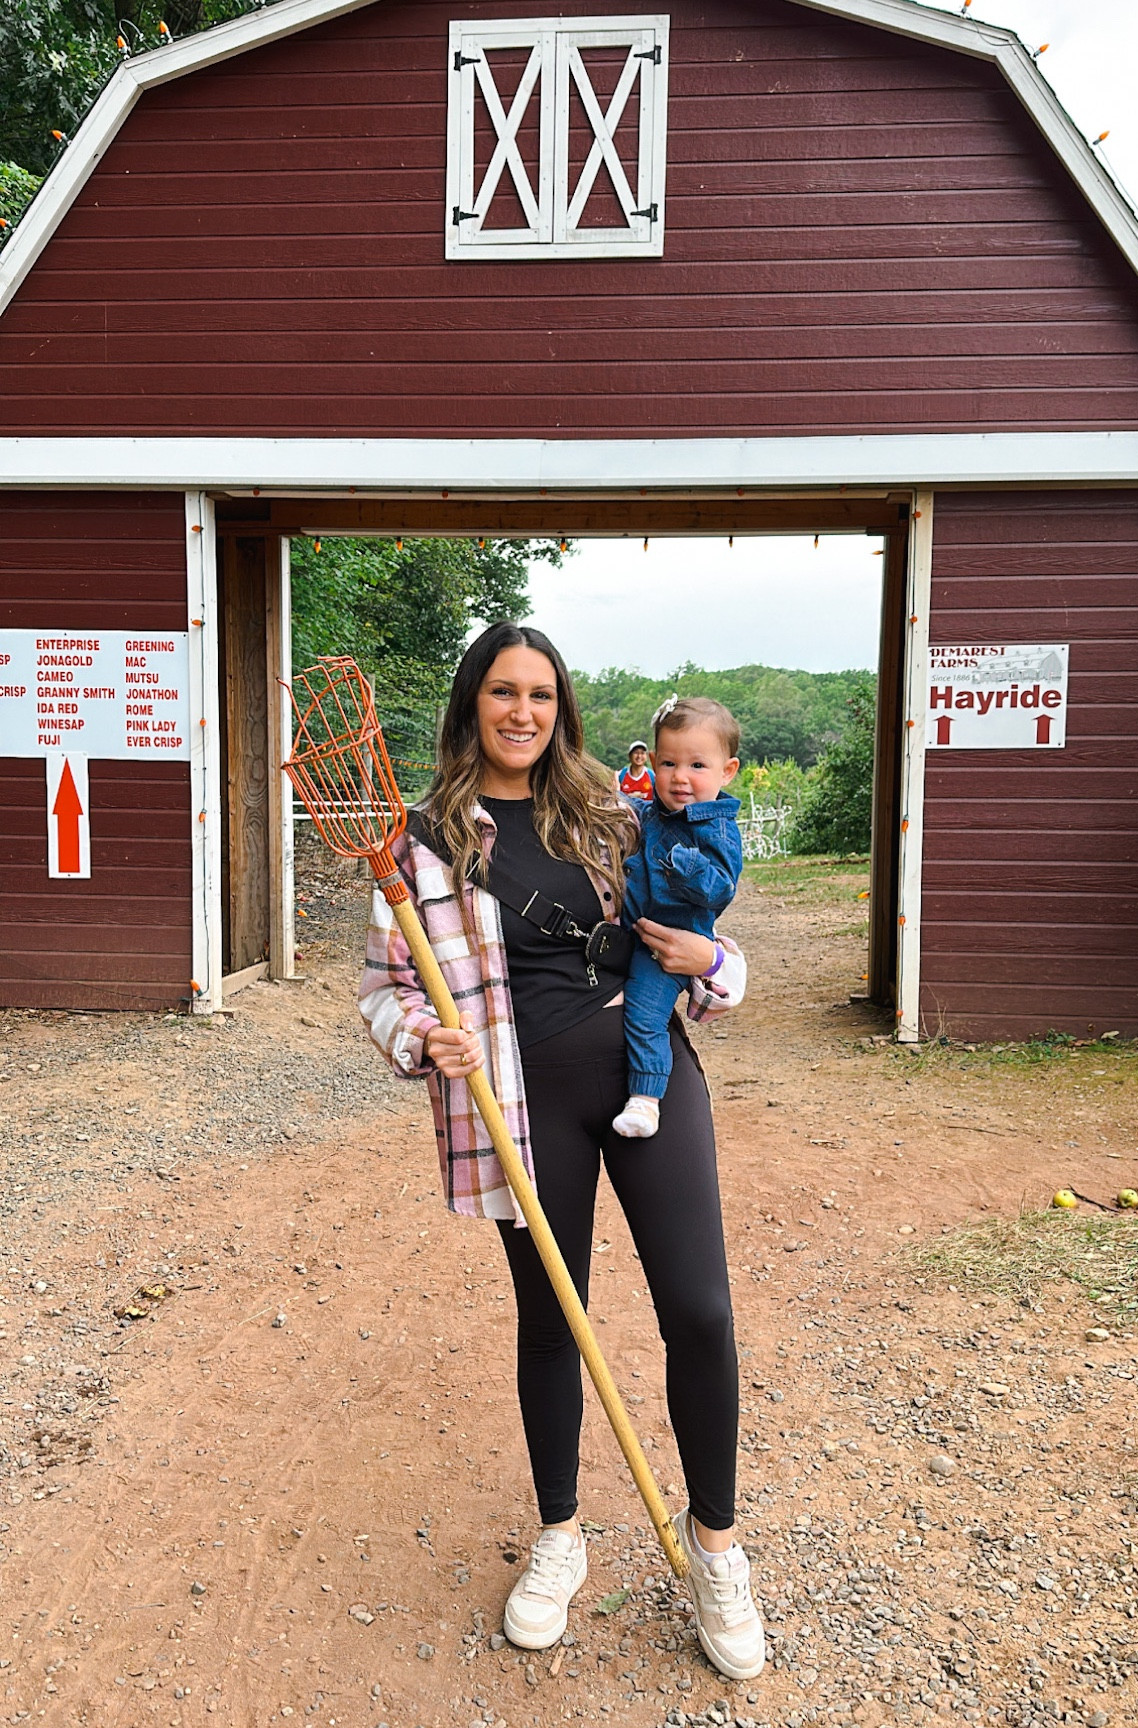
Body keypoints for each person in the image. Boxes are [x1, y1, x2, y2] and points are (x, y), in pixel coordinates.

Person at [358, 622, 765, 1682]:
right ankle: (559, 1534)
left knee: (701, 1310)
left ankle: (716, 1549)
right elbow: (385, 990)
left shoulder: (615, 817)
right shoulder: (420, 845)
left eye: (540, 694)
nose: (523, 712)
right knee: (554, 1319)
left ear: (562, 708)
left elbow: (703, 934)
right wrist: (422, 1039)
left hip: (646, 1078)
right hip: (520, 1102)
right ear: (473, 703)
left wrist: (714, 961)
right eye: (504, 691)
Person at [612, 695, 743, 1140]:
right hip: (631, 927)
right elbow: (626, 810)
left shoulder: (716, 828)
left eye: (697, 766)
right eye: (668, 763)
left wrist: (686, 863)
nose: (680, 777)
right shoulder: (655, 812)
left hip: (669, 946)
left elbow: (721, 888)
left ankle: (645, 1099)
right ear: (652, 764)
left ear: (727, 771)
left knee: (644, 1012)